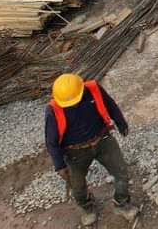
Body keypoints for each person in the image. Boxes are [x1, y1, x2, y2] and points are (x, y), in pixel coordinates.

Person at [45, 74, 139, 226]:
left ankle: (121, 203)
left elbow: (110, 104)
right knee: (77, 187)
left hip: (102, 140)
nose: (71, 105)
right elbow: (51, 141)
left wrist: (121, 122)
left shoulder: (93, 89)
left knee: (122, 173)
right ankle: (87, 207)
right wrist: (59, 165)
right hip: (75, 152)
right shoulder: (53, 110)